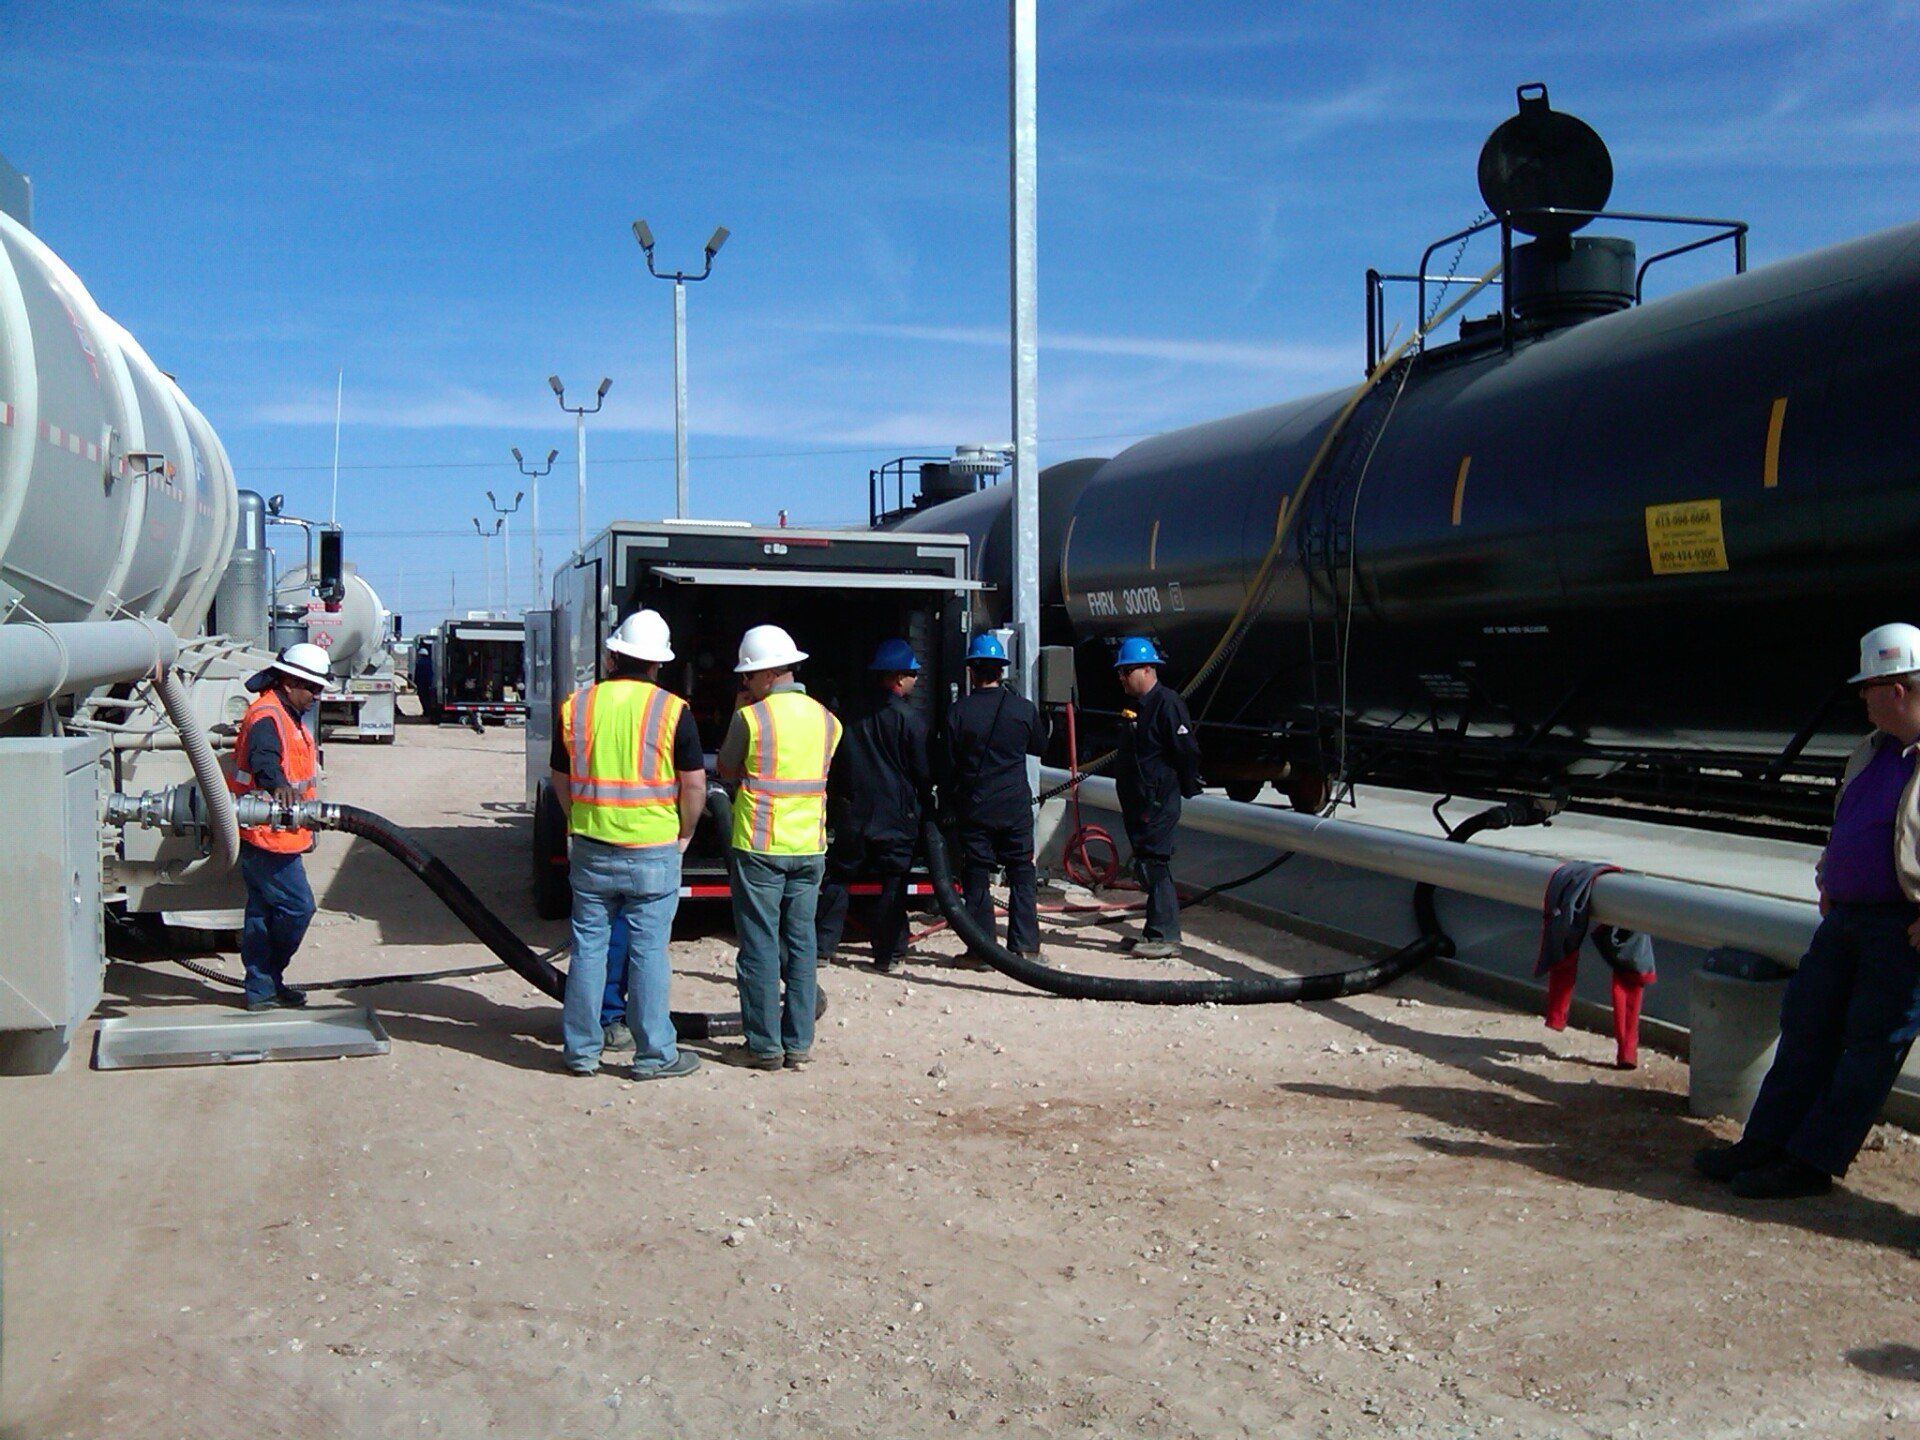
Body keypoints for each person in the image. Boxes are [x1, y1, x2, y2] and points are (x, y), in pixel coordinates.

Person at [1695, 623, 1920, 1199]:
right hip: (1847, 918)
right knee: (1805, 1028)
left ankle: (1810, 1162)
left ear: (1897, 690)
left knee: (1869, 1048)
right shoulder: (1871, 752)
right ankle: (1764, 1142)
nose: (1862, 697)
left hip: (1904, 931)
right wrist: (1831, 874)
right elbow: (1850, 822)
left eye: (1870, 686)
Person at [550, 610, 707, 1080]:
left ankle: (581, 1051)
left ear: (613, 656)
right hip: (654, 850)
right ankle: (655, 1055)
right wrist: (685, 833)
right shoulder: (673, 711)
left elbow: (560, 779)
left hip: (593, 845)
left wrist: (578, 820)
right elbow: (694, 786)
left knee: (589, 949)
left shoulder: (576, 707)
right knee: (649, 952)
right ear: (658, 663)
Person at [717, 624, 842, 1070]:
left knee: (760, 947)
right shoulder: (829, 720)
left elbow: (727, 771)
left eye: (747, 676)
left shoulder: (750, 718)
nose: (744, 684)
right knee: (803, 945)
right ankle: (798, 1044)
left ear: (767, 675)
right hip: (809, 847)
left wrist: (740, 710)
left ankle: (764, 1046)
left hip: (760, 845)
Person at [817, 639, 933, 973]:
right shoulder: (912, 720)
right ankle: (888, 954)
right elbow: (922, 772)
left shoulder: (849, 715)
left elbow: (836, 762)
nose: (915, 679)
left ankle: (823, 948)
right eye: (912, 674)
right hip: (896, 817)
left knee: (838, 877)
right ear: (898, 678)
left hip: (853, 812)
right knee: (893, 883)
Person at [228, 643, 331, 1011]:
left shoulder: (284, 712)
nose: (316, 696)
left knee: (262, 912)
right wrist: (278, 786)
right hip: (267, 835)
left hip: (279, 834)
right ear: (290, 681)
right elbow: (264, 759)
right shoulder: (268, 715)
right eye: (312, 688)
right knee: (297, 908)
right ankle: (266, 980)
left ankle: (262, 988)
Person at [940, 633, 1048, 958]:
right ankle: (1026, 946)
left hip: (976, 808)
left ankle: (982, 951)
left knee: (976, 875)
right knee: (1022, 872)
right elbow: (1040, 747)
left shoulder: (959, 713)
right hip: (1015, 806)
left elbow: (947, 764)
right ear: (1001, 671)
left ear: (972, 671)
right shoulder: (1023, 709)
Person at [1113, 636, 1202, 959]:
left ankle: (1166, 934)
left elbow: (1186, 751)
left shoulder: (1167, 704)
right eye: (1120, 673)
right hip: (1139, 801)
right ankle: (1154, 930)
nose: (1122, 678)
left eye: (1127, 671)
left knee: (1156, 863)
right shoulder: (1138, 709)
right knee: (1146, 863)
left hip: (1157, 801)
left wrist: (1186, 785)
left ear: (1148, 669)